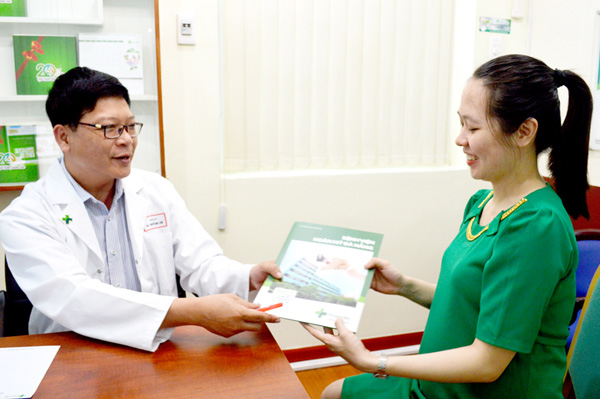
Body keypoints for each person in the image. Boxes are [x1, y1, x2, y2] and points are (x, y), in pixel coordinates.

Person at [303, 54, 592, 399]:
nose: (460, 139)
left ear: (524, 132)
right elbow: (473, 304)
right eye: (461, 125)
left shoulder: (536, 226)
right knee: (334, 392)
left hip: (483, 391)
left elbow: (488, 362)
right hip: (440, 384)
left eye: (472, 128)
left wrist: (373, 361)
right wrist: (405, 286)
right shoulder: (482, 204)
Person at [0, 67, 281, 351]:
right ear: (64, 137)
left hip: (158, 351)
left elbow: (201, 263)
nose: (126, 139)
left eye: (130, 126)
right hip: (71, 358)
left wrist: (248, 276)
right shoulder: (26, 215)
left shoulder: (155, 190)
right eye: (109, 128)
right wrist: (189, 312)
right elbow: (75, 298)